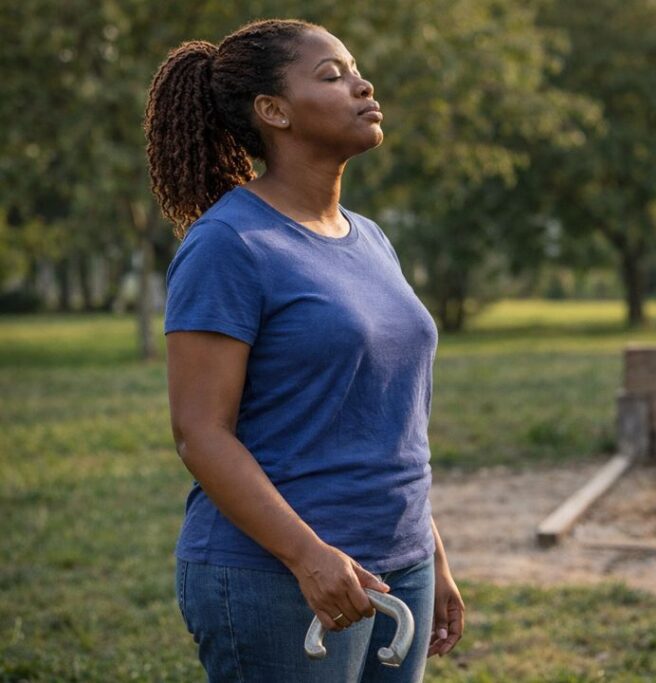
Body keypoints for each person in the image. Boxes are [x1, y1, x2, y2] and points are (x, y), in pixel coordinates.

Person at [144, 18, 464, 682]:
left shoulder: (371, 238)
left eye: (354, 68)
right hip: (277, 574)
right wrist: (307, 556)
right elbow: (200, 432)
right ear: (273, 111)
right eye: (332, 75)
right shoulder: (228, 244)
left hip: (398, 566)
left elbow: (384, 419)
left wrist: (428, 553)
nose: (361, 83)